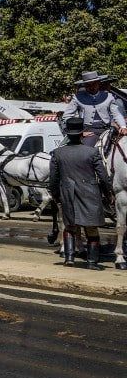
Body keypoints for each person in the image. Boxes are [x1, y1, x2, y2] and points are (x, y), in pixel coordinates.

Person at [49, 116, 114, 270]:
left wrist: (55, 194)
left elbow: (53, 179)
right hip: (90, 194)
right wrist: (109, 193)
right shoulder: (91, 152)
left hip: (67, 193)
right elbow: (103, 176)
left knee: (70, 226)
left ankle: (69, 258)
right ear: (82, 134)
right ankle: (91, 262)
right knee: (91, 228)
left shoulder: (58, 153)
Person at [61, 71, 127, 147]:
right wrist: (79, 132)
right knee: (86, 148)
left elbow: (117, 114)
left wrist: (123, 127)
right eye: (88, 85)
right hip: (89, 130)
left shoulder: (109, 96)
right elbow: (67, 116)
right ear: (84, 85)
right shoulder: (78, 98)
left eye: (94, 84)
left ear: (98, 83)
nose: (91, 87)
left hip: (107, 129)